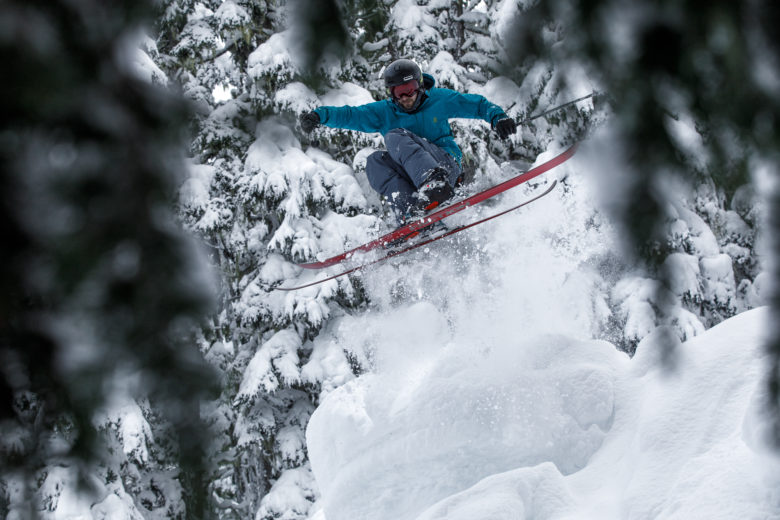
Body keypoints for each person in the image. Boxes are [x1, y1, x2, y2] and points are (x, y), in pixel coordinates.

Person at [299, 59, 517, 223]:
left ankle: (435, 184)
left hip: (444, 165)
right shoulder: (385, 112)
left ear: (420, 85)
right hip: (415, 179)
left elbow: (476, 104)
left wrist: (498, 117)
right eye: (398, 92)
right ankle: (411, 212)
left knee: (395, 135)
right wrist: (320, 116)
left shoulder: (439, 100)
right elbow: (351, 115)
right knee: (375, 160)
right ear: (391, 94)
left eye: (409, 89)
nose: (405, 97)